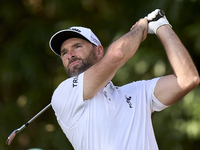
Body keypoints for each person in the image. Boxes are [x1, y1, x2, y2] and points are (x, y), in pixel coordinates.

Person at [49, 9, 199, 150]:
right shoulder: (64, 92)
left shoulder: (137, 92)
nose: (70, 54)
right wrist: (139, 29)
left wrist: (161, 25)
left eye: (77, 46)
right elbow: (117, 55)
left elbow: (188, 79)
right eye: (64, 53)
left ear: (99, 51)